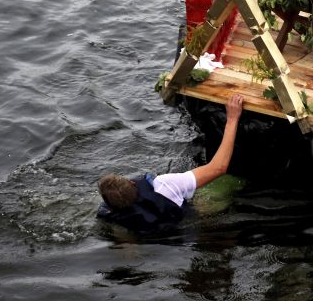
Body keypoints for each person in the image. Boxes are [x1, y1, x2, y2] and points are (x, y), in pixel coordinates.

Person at [96, 94, 244, 232]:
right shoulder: (164, 184)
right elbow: (219, 168)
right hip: (188, 217)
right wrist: (232, 118)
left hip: (173, 235)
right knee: (226, 184)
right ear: (133, 183)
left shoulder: (115, 218)